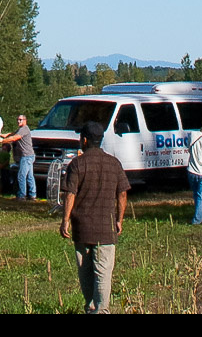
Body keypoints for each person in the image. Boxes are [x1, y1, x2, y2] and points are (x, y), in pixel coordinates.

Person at [59, 121, 129, 315]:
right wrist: (119, 219)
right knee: (103, 273)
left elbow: (70, 194)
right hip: (106, 229)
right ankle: (101, 310)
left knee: (86, 274)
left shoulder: (77, 164)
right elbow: (122, 193)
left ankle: (92, 308)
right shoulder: (114, 163)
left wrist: (65, 221)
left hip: (82, 228)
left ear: (85, 140)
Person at [1, 113, 37, 201]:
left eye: (20, 120)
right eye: (17, 119)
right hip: (29, 156)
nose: (18, 121)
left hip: (26, 156)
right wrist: (5, 135)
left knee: (21, 176)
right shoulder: (21, 129)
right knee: (29, 176)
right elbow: (13, 134)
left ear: (25, 120)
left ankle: (21, 195)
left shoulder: (24, 129)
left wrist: (3, 140)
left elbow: (15, 138)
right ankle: (32, 194)